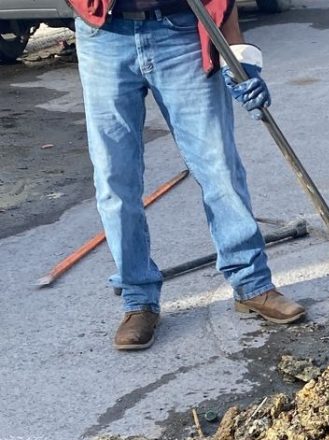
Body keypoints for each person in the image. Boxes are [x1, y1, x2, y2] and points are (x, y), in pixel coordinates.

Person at [67, 0, 306, 351]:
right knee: (114, 180)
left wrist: (238, 55)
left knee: (219, 167)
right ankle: (138, 300)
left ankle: (252, 283)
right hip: (105, 35)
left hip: (180, 32)